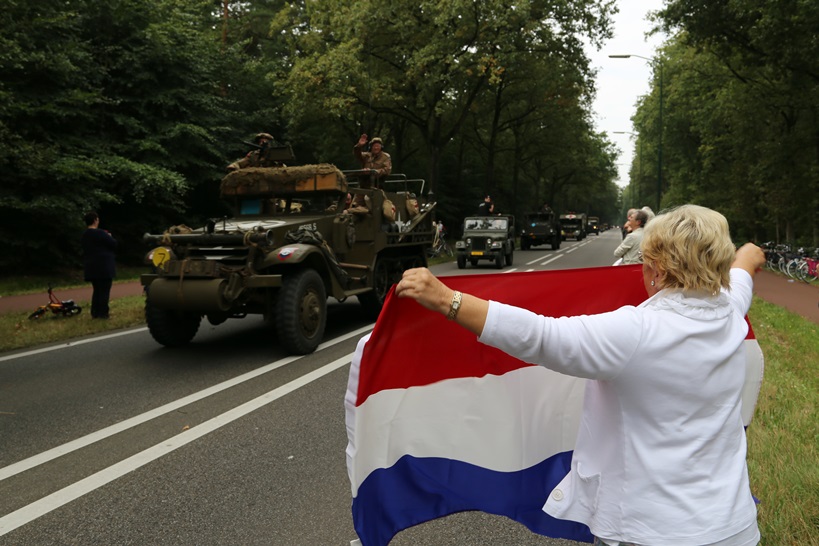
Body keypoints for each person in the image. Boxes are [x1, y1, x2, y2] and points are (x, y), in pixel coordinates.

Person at [395, 204, 764, 546]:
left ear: (661, 270)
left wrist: (447, 299)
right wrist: (747, 254)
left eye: (646, 262)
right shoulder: (729, 311)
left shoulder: (636, 331)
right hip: (734, 526)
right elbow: (743, 271)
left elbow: (539, 335)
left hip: (651, 530)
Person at [81, 211, 118, 319]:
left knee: (96, 290)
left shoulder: (84, 235)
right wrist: (109, 236)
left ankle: (95, 312)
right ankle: (103, 313)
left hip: (91, 266)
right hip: (104, 266)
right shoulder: (101, 233)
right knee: (104, 290)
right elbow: (114, 244)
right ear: (95, 220)